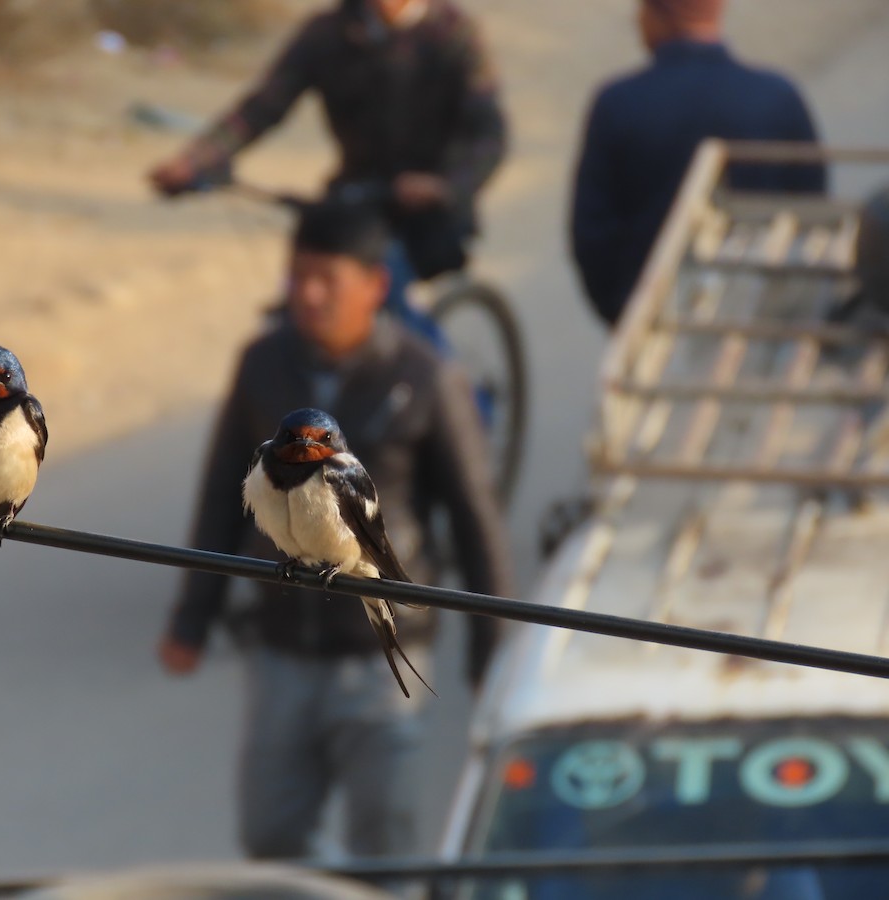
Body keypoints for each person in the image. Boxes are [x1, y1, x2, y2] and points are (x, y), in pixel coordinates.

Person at [157, 201, 512, 860]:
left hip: (383, 661)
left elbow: (474, 518)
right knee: (271, 839)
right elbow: (220, 497)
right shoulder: (262, 365)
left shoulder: (424, 377)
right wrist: (191, 620)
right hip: (282, 650)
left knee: (387, 848)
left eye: (329, 280)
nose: (310, 295)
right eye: (298, 278)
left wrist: (493, 656)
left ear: (375, 286)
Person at [149, 0, 508, 325]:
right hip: (352, 199)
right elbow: (262, 107)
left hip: (430, 211)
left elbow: (488, 133)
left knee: (386, 310)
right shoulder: (328, 33)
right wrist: (195, 161)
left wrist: (444, 185)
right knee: (301, 305)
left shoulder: (453, 34)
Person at [570, 0, 828, 328]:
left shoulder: (618, 104)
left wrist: (624, 312)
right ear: (718, 9)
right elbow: (812, 219)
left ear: (657, 16)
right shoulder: (778, 99)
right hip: (762, 325)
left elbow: (592, 234)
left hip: (655, 325)